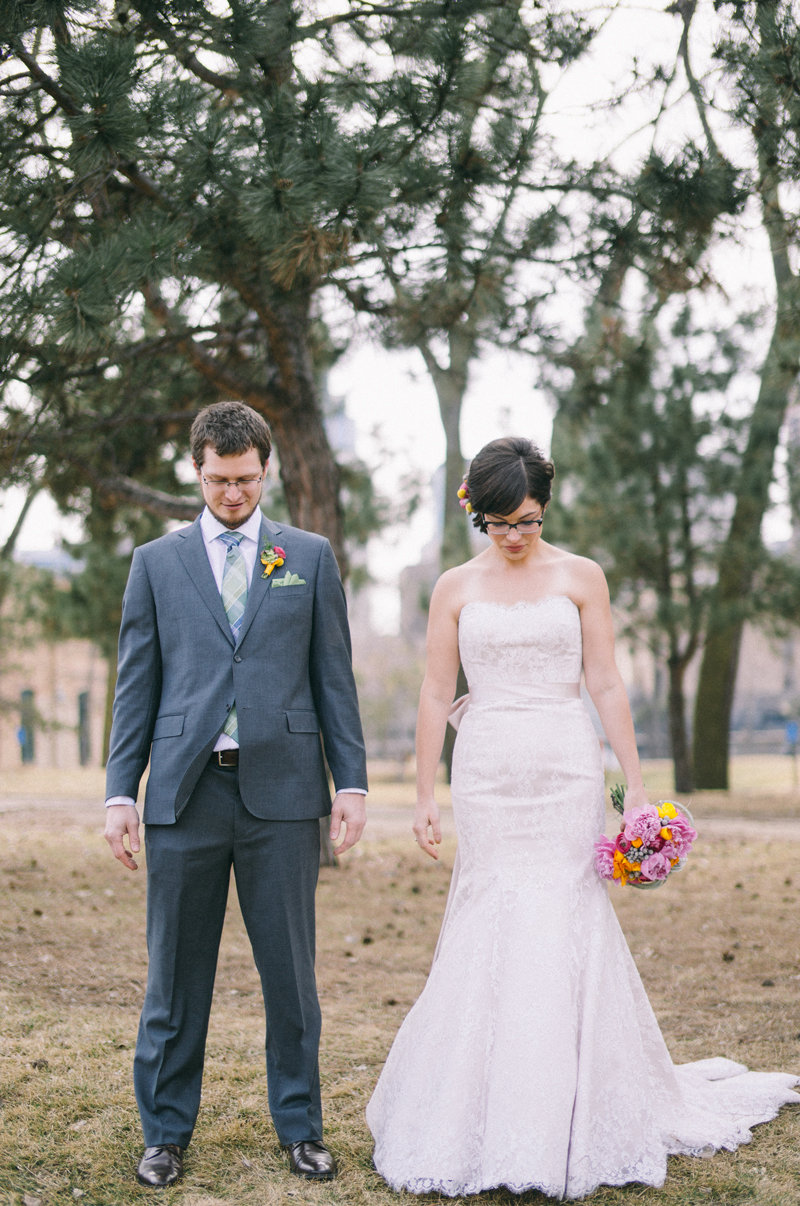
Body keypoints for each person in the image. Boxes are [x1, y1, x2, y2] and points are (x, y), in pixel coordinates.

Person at [367, 437, 799, 1199]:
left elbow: (603, 681)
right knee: (493, 913)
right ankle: (483, 1110)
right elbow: (437, 691)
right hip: (490, 769)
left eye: (526, 520)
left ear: (545, 507)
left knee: (566, 912)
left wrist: (634, 783)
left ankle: (572, 1106)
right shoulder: (453, 589)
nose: (513, 537)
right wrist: (426, 796)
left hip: (567, 765)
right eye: (498, 524)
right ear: (477, 515)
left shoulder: (581, 577)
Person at [104, 401, 368, 1188]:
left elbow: (333, 679)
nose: (232, 494)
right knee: (175, 975)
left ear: (266, 470)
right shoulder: (156, 563)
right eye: (219, 480)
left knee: (290, 973)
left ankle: (301, 1128)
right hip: (183, 796)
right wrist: (121, 793)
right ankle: (164, 1134)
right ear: (197, 469)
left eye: (246, 480)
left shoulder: (308, 557)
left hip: (285, 798)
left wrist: (349, 782)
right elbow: (135, 688)